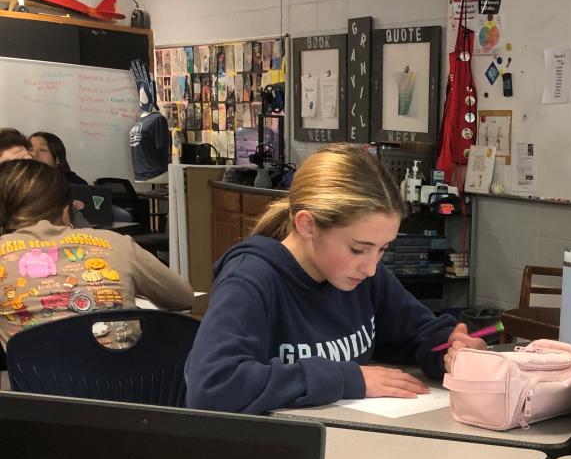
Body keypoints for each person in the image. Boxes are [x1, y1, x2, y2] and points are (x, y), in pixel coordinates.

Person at [185, 143, 485, 415]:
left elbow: (419, 333)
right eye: (358, 249)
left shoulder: (363, 277)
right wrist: (349, 378)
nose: (370, 267)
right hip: (277, 456)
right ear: (307, 226)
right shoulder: (251, 280)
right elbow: (213, 386)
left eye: (382, 249)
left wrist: (450, 349)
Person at [0, 159, 193, 343]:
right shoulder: (117, 244)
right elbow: (182, 297)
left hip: (36, 376)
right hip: (125, 375)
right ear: (67, 211)